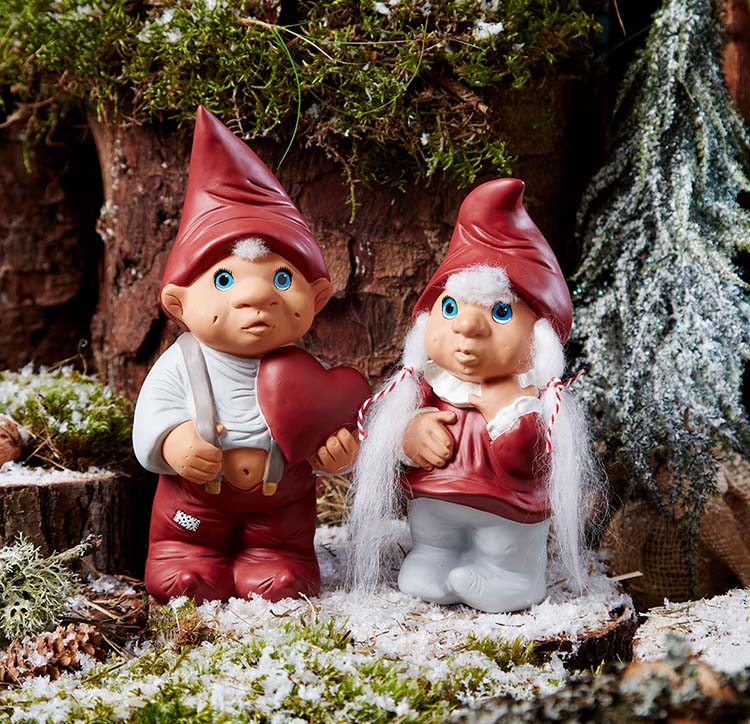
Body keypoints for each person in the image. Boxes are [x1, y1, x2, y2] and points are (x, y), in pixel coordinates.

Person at [133, 106, 370, 603]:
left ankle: (278, 565)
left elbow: (327, 428)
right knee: (183, 564)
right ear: (178, 301)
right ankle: (186, 561)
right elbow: (151, 417)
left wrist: (338, 453)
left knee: (282, 564)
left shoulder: (309, 376)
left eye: (282, 278)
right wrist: (174, 442)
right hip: (194, 509)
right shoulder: (182, 364)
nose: (256, 296)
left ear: (317, 297)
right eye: (224, 279)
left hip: (280, 512)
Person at [347, 179, 599, 613]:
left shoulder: (528, 399)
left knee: (503, 542)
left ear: (538, 337)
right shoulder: (426, 384)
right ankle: (434, 557)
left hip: (505, 508)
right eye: (451, 308)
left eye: (500, 313)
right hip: (436, 502)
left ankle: (512, 576)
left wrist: (503, 415)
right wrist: (410, 434)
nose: (466, 328)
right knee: (433, 538)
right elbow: (390, 440)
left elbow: (526, 458)